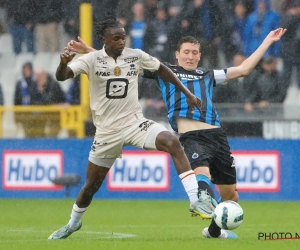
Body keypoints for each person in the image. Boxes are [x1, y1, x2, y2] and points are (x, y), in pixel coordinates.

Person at [67, 26, 286, 239]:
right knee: (203, 177)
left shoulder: (208, 75)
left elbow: (244, 70)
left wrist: (268, 41)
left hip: (217, 135)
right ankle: (199, 199)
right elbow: (124, 64)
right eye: (186, 52)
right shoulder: (165, 72)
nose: (190, 57)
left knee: (231, 197)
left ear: (200, 56)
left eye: (194, 53)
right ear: (177, 54)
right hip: (190, 134)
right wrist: (90, 51)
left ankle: (212, 232)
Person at [48, 16, 211, 240]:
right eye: (116, 38)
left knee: (172, 141)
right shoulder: (92, 59)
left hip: (135, 123)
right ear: (103, 40)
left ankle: (195, 200)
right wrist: (63, 62)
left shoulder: (135, 56)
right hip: (107, 132)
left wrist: (188, 93)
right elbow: (62, 76)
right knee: (91, 186)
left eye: (123, 37)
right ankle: (72, 223)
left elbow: (163, 69)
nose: (121, 42)